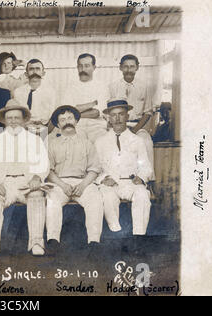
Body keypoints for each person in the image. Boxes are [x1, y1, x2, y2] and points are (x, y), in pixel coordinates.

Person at [0, 99, 49, 258]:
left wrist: (37, 177)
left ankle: (36, 243)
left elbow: (44, 164)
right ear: (4, 120)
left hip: (27, 182)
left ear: (24, 120)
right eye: (10, 118)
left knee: (37, 195)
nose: (13, 121)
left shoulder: (35, 140)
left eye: (17, 118)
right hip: (6, 183)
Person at [45, 105, 104, 255]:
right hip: (59, 182)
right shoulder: (52, 144)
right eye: (62, 120)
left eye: (70, 118)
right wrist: (62, 184)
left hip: (82, 182)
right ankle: (53, 241)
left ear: (76, 120)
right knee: (52, 199)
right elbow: (48, 171)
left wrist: (83, 185)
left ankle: (94, 241)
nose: (67, 122)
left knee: (95, 198)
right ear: (58, 125)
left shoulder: (87, 143)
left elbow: (94, 169)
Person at [95, 100, 153, 238]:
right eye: (113, 115)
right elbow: (94, 167)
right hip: (111, 183)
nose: (117, 118)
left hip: (131, 182)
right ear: (109, 118)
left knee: (143, 195)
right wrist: (103, 179)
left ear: (127, 116)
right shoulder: (100, 141)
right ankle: (116, 233)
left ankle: (139, 236)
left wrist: (142, 177)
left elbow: (145, 166)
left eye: (121, 114)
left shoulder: (137, 140)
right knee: (107, 197)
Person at [109, 54, 155, 180]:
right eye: (125, 67)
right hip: (117, 126)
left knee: (146, 143)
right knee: (108, 144)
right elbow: (109, 111)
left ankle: (148, 181)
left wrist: (134, 130)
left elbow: (148, 112)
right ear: (120, 68)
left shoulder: (144, 87)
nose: (129, 70)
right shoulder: (113, 86)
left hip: (137, 126)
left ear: (137, 68)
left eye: (132, 67)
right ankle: (114, 179)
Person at [61, 53, 109, 143]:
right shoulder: (70, 88)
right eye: (80, 66)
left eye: (87, 66)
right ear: (77, 67)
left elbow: (96, 113)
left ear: (94, 67)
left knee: (101, 144)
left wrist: (75, 112)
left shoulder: (102, 87)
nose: (83, 69)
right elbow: (67, 112)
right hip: (76, 127)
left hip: (97, 127)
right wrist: (92, 104)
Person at [13, 59, 57, 137]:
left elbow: (54, 116)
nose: (34, 72)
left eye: (37, 69)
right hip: (24, 130)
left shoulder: (50, 92)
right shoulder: (18, 92)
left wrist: (45, 133)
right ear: (26, 74)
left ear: (43, 73)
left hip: (45, 129)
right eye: (31, 69)